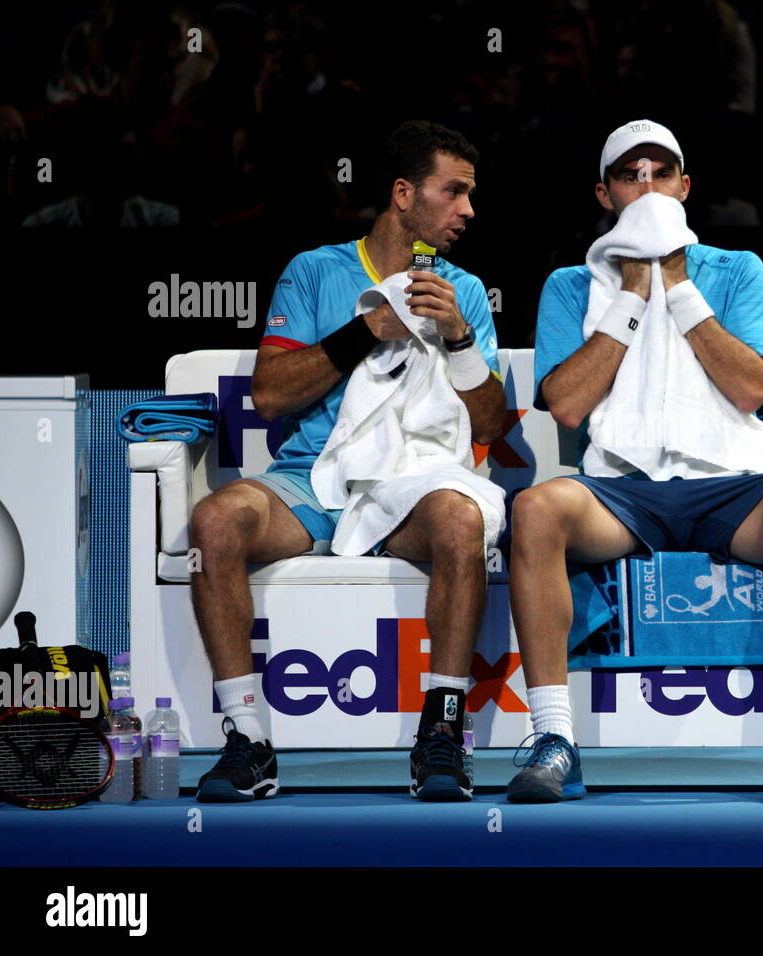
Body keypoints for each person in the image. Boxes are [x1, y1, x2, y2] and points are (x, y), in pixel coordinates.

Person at [507, 119, 763, 804]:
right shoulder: (570, 286)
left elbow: (750, 388)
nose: (647, 188)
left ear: (685, 187)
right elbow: (568, 407)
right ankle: (553, 738)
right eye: (631, 176)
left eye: (661, 174)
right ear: (604, 194)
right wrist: (633, 293)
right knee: (535, 509)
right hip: (623, 492)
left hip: (735, 485)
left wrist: (679, 286)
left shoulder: (734, 269)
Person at [189, 120, 506, 802]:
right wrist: (367, 329)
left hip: (410, 485)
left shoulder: (466, 292)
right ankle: (248, 742)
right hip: (309, 479)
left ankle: (443, 735)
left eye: (470, 196)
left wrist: (457, 337)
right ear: (403, 193)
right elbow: (270, 396)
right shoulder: (315, 271)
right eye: (454, 193)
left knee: (459, 520)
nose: (468, 211)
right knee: (216, 520)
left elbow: (488, 426)